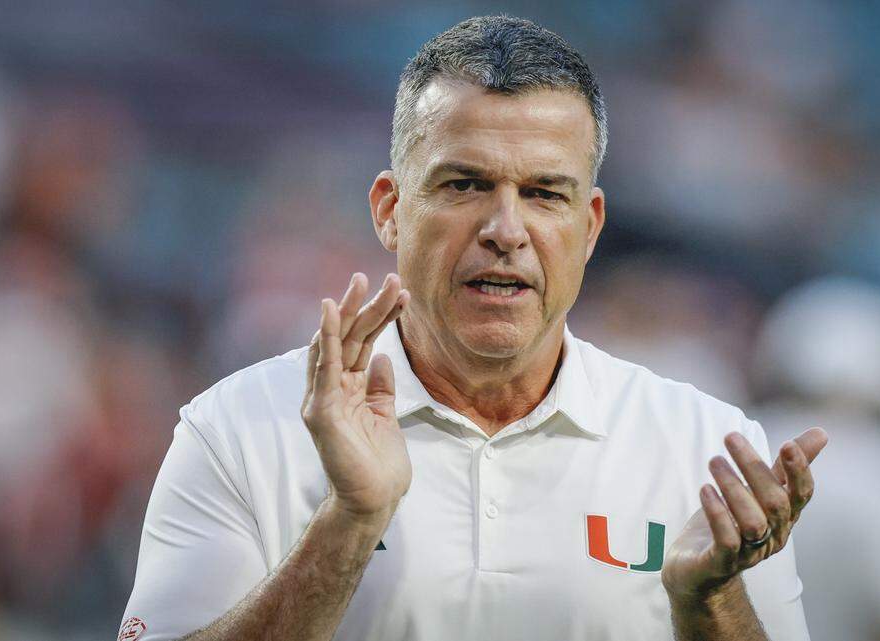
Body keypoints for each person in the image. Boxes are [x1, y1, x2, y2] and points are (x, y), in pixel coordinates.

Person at [119, 16, 827, 641]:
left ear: (590, 227)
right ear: (390, 209)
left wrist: (709, 603)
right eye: (464, 185)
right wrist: (350, 523)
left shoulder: (706, 448)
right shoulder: (238, 430)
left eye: (545, 193)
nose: (505, 230)